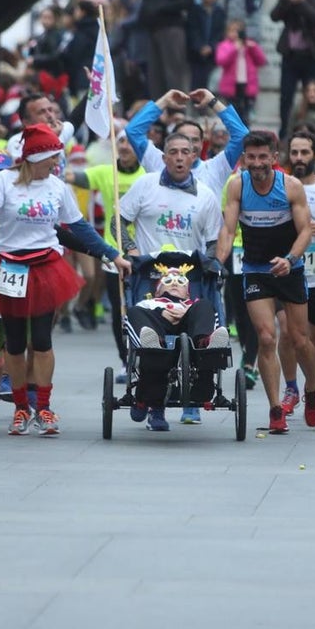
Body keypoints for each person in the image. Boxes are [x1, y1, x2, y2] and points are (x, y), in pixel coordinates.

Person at [0, 123, 131, 437]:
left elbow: (80, 228)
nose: (56, 165)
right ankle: (19, 408)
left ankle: (43, 406)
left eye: (57, 158)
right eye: (51, 159)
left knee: (42, 340)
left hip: (44, 266)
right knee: (14, 344)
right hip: (10, 267)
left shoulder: (57, 187)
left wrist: (112, 255)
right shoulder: (5, 180)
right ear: (32, 158)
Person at [119, 130, 223, 423]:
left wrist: (213, 262)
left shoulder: (205, 195)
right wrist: (130, 250)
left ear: (194, 156)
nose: (179, 157)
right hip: (150, 276)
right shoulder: (145, 185)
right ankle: (155, 404)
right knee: (145, 321)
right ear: (163, 157)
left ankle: (204, 353)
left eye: (185, 152)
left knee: (205, 307)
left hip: (190, 277)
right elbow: (120, 221)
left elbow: (214, 239)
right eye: (173, 152)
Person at [218, 130, 315, 434]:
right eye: (252, 157)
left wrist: (290, 259)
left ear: (275, 158)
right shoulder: (238, 185)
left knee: (299, 339)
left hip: (289, 269)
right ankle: (276, 408)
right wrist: (217, 262)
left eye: (264, 157)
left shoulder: (291, 187)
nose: (258, 163)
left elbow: (305, 231)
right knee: (265, 337)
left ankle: (312, 388)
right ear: (244, 159)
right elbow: (228, 228)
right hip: (256, 269)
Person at [64, 127, 146, 369]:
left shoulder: (150, 175)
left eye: (130, 142)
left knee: (143, 309)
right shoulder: (104, 172)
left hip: (145, 253)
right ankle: (125, 361)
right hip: (114, 253)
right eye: (121, 141)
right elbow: (70, 177)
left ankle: (147, 358)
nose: (124, 146)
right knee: (120, 310)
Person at [128, 264, 230, 431]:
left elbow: (205, 313)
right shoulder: (149, 303)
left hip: (190, 331)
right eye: (168, 281)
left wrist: (185, 311)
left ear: (187, 292)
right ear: (158, 290)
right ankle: (154, 344)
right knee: (134, 311)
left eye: (180, 281)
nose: (174, 283)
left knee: (205, 305)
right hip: (157, 328)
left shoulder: (195, 304)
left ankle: (205, 343)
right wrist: (161, 312)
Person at [279, 130, 315, 420]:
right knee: (288, 334)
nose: (299, 158)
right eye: (294, 152)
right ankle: (290, 389)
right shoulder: (279, 188)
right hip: (287, 273)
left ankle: (312, 384)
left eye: (305, 153)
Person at [126, 88, 248, 194]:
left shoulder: (215, 168)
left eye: (195, 140)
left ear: (202, 143)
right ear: (171, 141)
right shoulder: (158, 163)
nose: (189, 145)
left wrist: (213, 101)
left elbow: (242, 135)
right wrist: (164, 102)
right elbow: (133, 131)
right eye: (183, 138)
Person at [270, 0, 315, 140]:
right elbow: (275, 16)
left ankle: (313, 131)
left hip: (311, 55)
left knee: (313, 95)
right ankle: (285, 133)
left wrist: (302, 2)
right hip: (290, 55)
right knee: (286, 96)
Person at [140, 0, 194, 97]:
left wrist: (161, 5)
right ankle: (160, 114)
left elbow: (187, 0)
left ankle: (178, 113)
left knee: (174, 76)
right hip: (154, 28)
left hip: (172, 27)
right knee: (155, 77)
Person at [215, 18, 266, 123]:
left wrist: (254, 48)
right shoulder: (224, 45)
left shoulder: (249, 45)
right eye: (232, 31)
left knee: (246, 112)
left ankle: (246, 133)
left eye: (238, 31)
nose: (235, 34)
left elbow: (261, 61)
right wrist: (234, 49)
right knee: (234, 111)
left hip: (247, 83)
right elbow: (221, 60)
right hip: (231, 84)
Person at [186, 0, 227, 91]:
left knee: (210, 84)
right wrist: (199, 46)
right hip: (196, 53)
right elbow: (192, 30)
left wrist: (212, 46)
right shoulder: (195, 10)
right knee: (196, 83)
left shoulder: (220, 12)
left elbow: (220, 33)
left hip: (212, 54)